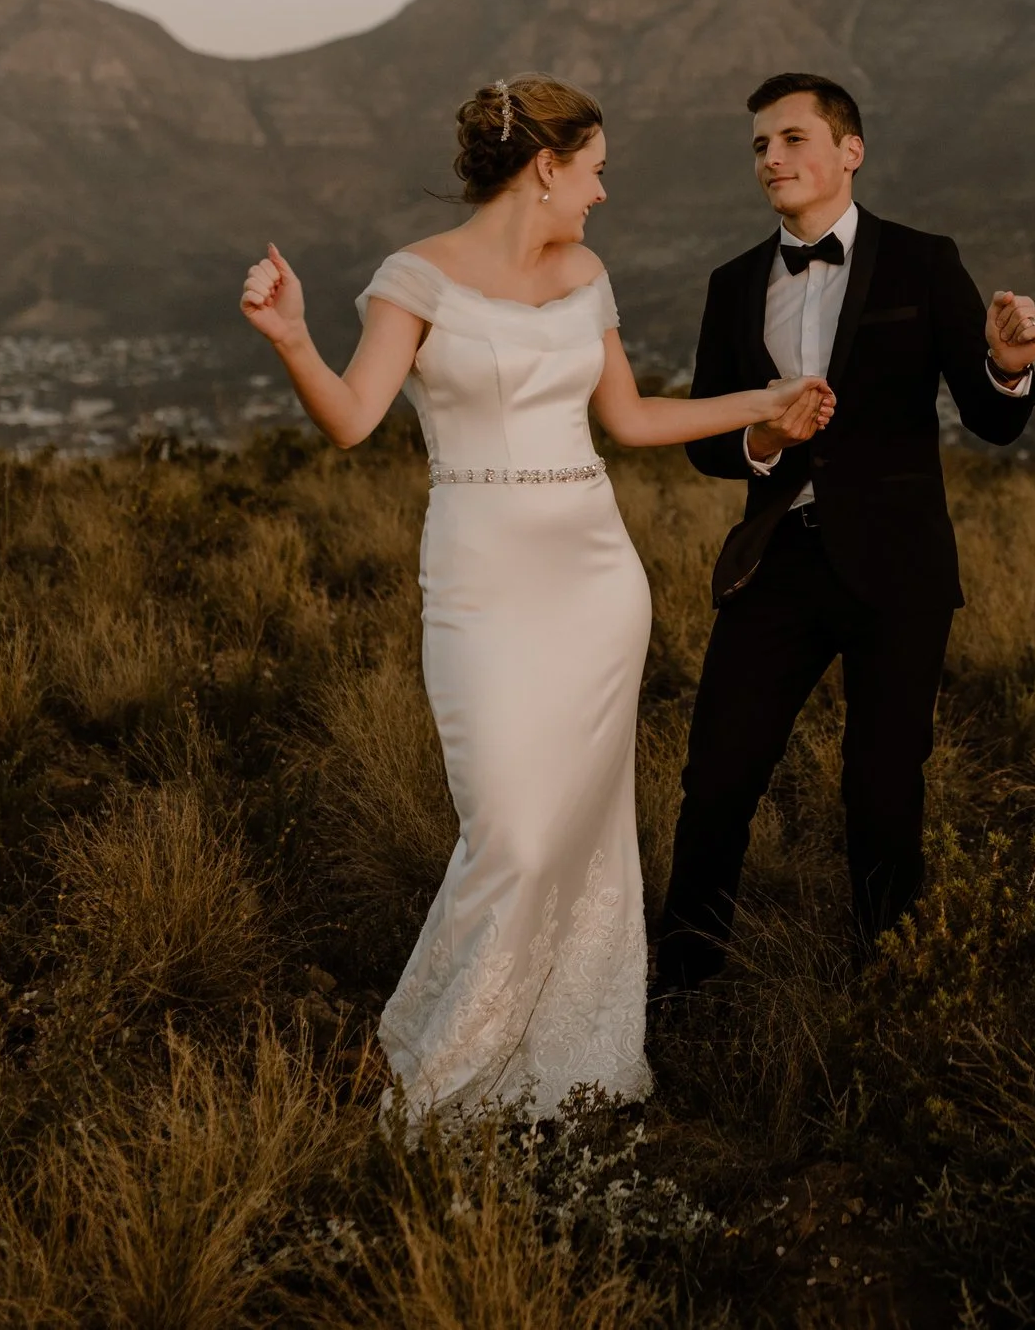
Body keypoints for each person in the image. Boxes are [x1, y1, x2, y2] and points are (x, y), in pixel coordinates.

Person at [236, 73, 833, 1123]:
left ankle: (567, 1056)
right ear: (546, 166)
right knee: (511, 828)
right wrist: (292, 337)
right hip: (479, 574)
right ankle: (447, 1066)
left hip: (597, 576)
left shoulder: (585, 270)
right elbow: (351, 419)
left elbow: (633, 418)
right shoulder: (412, 278)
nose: (603, 194)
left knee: (578, 826)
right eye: (595, 171)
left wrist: (769, 400)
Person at [654, 73, 1035, 993]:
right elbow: (711, 445)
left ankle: (890, 987)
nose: (771, 159)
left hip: (898, 570)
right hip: (777, 565)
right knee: (716, 779)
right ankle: (684, 982)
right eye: (759, 145)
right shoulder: (731, 285)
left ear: (849, 151)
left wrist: (1005, 366)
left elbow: (993, 425)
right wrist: (759, 437)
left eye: (792, 139)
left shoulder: (922, 260)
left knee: (881, 793)